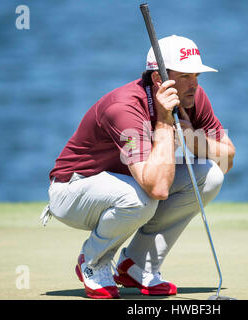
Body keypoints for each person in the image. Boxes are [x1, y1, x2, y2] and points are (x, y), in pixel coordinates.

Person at [40, 35, 236, 299]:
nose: (195, 84)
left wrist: (191, 139)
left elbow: (227, 159)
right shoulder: (124, 108)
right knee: (140, 197)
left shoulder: (193, 97)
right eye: (186, 76)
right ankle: (93, 263)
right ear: (159, 79)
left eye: (197, 75)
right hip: (73, 191)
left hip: (128, 184)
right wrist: (166, 122)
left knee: (209, 176)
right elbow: (156, 187)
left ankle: (137, 265)